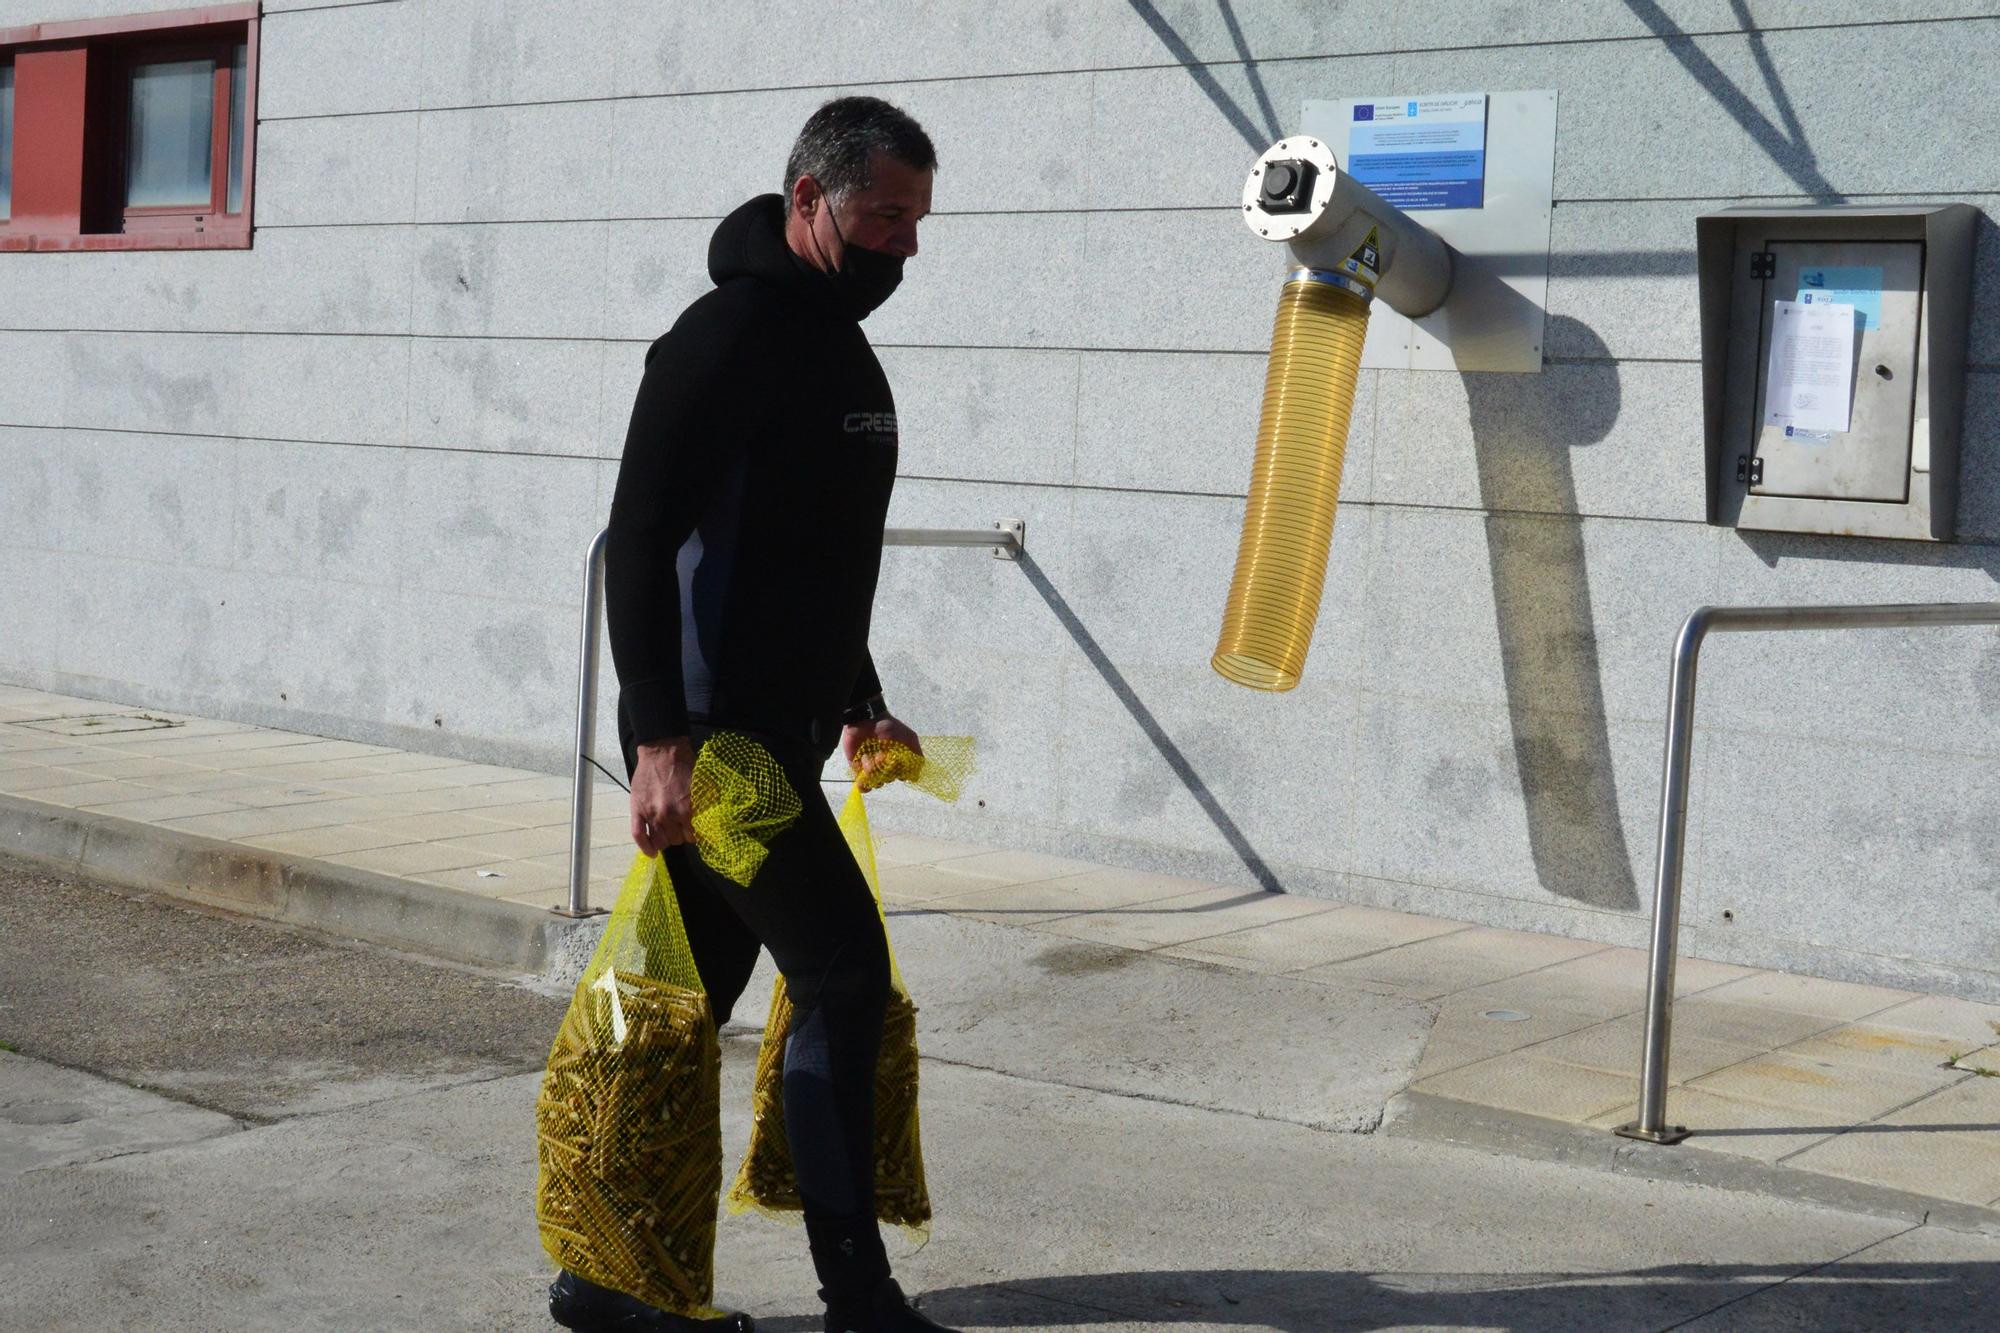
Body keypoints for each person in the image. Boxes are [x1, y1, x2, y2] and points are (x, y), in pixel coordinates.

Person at [550, 98, 955, 1333]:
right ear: (807, 200)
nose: (906, 246)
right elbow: (637, 541)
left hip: (777, 734)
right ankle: (858, 1299)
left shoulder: (840, 347)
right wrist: (657, 742)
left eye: (918, 220)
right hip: (716, 744)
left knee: (680, 1007)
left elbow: (814, 555)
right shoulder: (718, 339)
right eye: (885, 214)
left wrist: (862, 698)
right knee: (841, 974)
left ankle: (610, 1283)